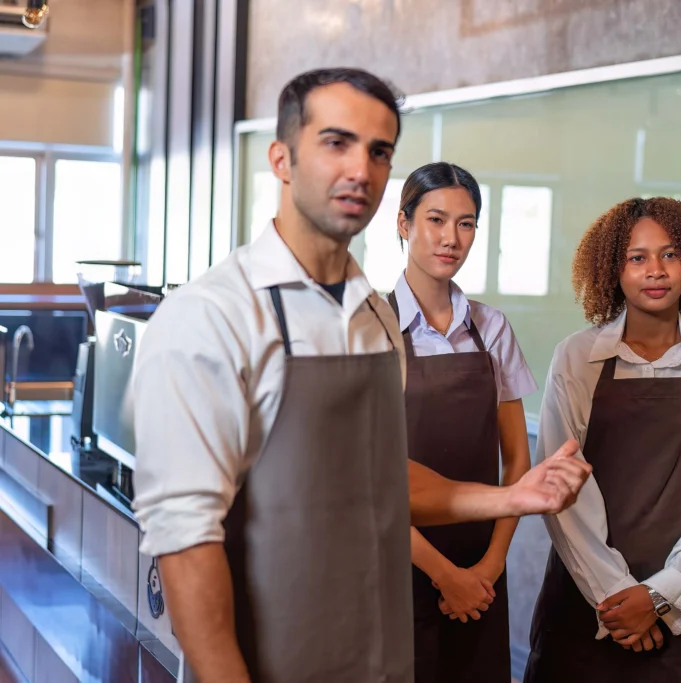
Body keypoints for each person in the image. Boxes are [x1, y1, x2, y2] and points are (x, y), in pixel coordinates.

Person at [130, 68, 590, 683]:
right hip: (268, 659)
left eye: (379, 152)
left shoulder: (371, 317)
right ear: (282, 158)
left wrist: (514, 497)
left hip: (379, 650)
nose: (360, 169)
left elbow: (380, 481)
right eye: (336, 143)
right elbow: (185, 547)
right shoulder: (210, 316)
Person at [524, 197, 681, 682]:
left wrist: (658, 597)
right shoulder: (577, 358)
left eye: (671, 255)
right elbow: (562, 489)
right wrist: (615, 596)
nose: (656, 270)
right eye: (637, 257)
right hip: (588, 599)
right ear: (614, 268)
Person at [387, 161, 540, 683]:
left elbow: (517, 459)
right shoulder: (369, 330)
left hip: (480, 566)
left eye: (467, 222)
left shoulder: (492, 329)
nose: (451, 237)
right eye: (436, 219)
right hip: (394, 560)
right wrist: (443, 574)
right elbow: (361, 478)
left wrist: (489, 567)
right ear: (404, 224)